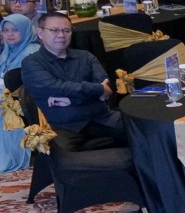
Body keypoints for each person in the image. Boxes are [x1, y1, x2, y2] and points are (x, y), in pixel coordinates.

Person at [21, 12, 125, 151]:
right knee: (58, 155)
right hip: (62, 125)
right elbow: (54, 87)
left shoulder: (86, 56)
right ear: (40, 33)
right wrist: (96, 89)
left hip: (100, 118)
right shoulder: (31, 63)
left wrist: (70, 100)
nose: (61, 35)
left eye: (66, 30)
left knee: (142, 130)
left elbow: (105, 86)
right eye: (54, 30)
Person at [0, 14, 39, 173]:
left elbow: (17, 81)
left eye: (15, 30)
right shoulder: (9, 50)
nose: (9, 34)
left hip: (15, 98)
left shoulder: (32, 50)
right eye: (5, 30)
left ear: (25, 30)